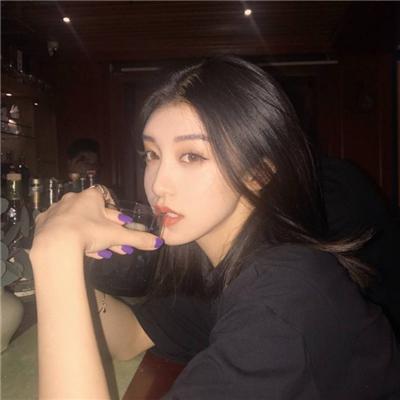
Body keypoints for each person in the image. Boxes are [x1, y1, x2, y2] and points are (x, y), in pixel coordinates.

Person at [30, 56, 400, 399]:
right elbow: (129, 338)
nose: (158, 184)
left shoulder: (284, 296)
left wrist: (55, 253)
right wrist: (75, 268)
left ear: (259, 173)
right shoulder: (219, 262)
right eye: (152, 155)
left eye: (191, 156)